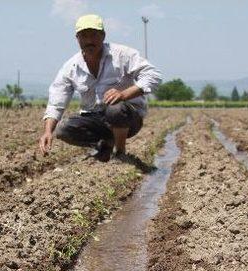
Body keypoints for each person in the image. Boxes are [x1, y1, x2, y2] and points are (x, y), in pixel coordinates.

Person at [38, 14, 162, 162]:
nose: (89, 41)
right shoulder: (71, 67)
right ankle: (105, 145)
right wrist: (47, 131)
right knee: (63, 130)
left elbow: (153, 75)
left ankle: (120, 152)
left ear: (103, 36)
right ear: (77, 39)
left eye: (94, 35)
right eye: (84, 36)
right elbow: (57, 100)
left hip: (128, 119)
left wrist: (124, 94)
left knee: (115, 109)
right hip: (96, 119)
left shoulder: (122, 55)